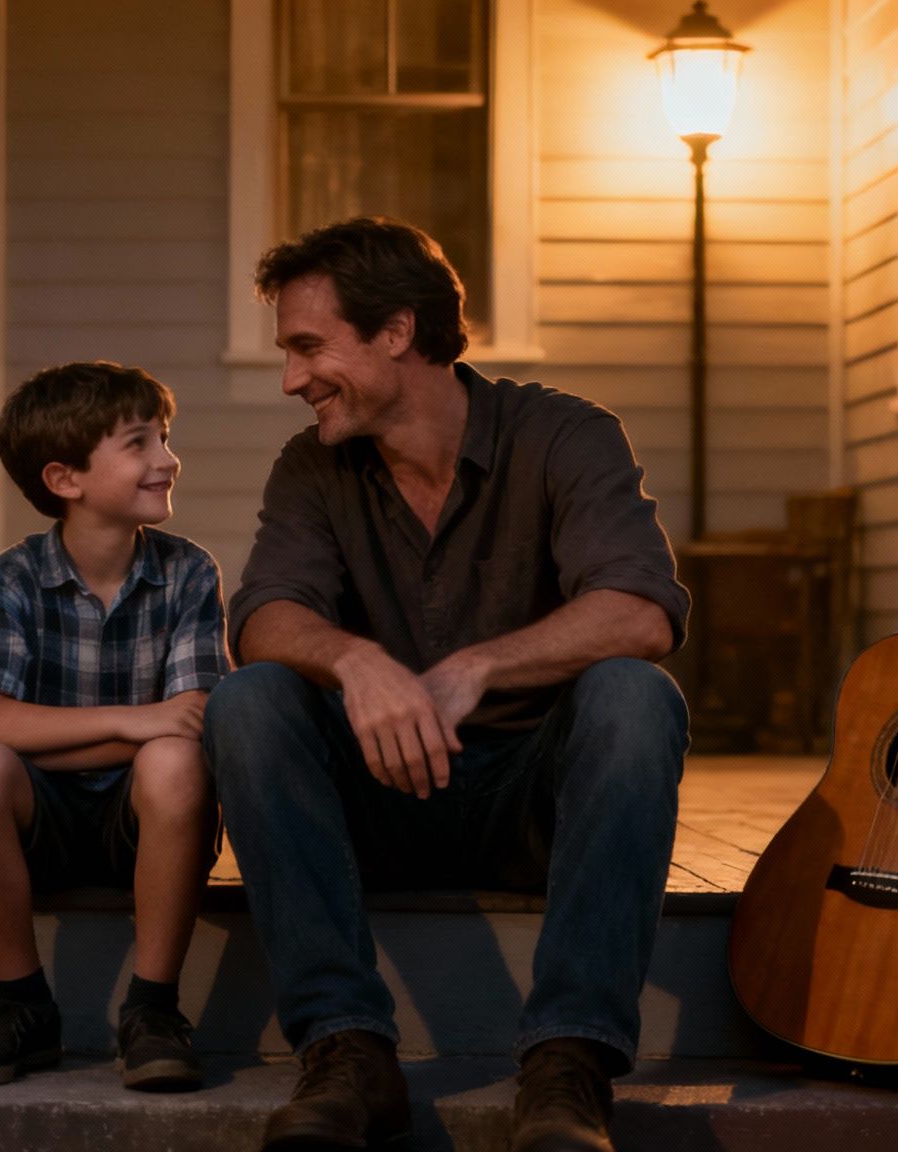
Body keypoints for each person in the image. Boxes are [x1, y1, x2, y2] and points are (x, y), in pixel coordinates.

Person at [205, 217, 691, 1152]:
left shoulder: (565, 435)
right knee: (249, 700)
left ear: (396, 332)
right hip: (378, 802)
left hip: (529, 807)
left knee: (635, 697)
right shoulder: (313, 466)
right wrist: (359, 662)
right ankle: (348, 1053)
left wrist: (476, 666)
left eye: (309, 347)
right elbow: (262, 616)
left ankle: (568, 1067)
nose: (291, 380)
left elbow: (641, 611)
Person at [0, 361, 227, 1093]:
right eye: (139, 444)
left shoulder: (189, 573)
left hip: (150, 821)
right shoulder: (13, 577)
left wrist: (126, 735)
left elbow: (190, 727)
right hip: (47, 827)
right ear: (65, 479)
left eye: (163, 438)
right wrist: (137, 721)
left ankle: (153, 1009)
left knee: (174, 763)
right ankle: (25, 1006)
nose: (167, 459)